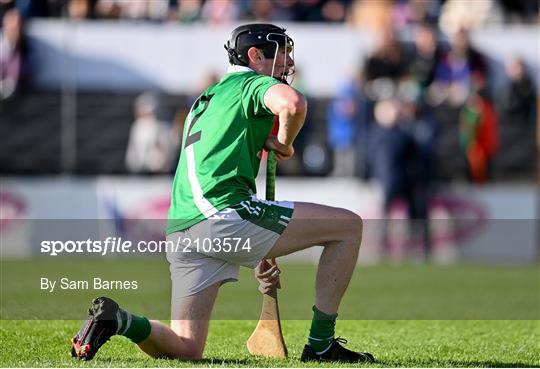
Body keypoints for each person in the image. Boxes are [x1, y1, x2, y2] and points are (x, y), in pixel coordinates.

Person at [71, 23, 374, 363]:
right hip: (221, 215)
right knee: (348, 227)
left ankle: (119, 320)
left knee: (186, 347)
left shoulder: (206, 99)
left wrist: (256, 249)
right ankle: (321, 344)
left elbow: (218, 165)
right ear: (254, 56)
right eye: (282, 53)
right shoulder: (251, 83)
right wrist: (285, 144)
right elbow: (293, 103)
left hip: (183, 228)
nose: (288, 61)